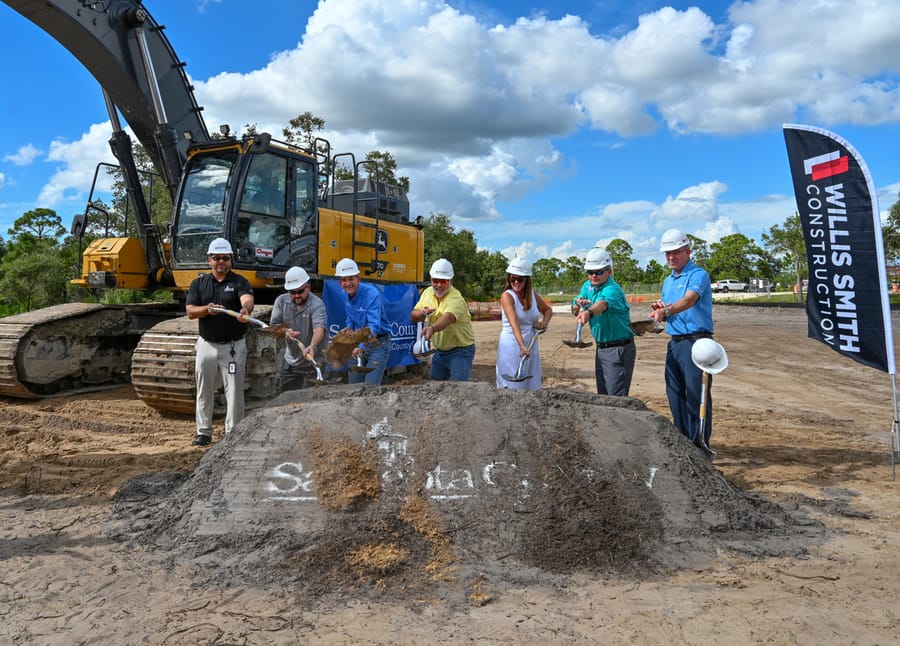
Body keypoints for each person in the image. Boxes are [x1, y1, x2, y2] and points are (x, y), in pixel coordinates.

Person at [648, 228, 715, 449]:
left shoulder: (698, 275)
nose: (671, 257)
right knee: (675, 394)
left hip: (696, 342)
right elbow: (672, 307)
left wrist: (666, 311)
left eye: (676, 252)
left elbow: (689, 301)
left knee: (697, 395)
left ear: (688, 251)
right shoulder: (668, 281)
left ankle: (699, 444)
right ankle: (684, 442)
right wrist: (662, 308)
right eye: (667, 253)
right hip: (675, 342)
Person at [185, 237, 255, 446]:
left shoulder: (239, 282)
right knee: (204, 389)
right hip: (207, 345)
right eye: (217, 258)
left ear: (230, 260)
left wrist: (245, 310)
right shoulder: (199, 283)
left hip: (233, 347)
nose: (221, 262)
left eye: (225, 258)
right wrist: (207, 310)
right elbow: (190, 311)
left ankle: (233, 432)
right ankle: (203, 431)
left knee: (234, 391)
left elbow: (247, 299)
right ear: (210, 260)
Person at [571, 248, 636, 396]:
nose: (593, 275)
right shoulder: (587, 286)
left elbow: (603, 304)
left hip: (618, 349)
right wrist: (577, 305)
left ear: (609, 271)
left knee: (616, 398)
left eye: (598, 272)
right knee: (603, 397)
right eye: (590, 272)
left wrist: (588, 312)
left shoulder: (612, 289)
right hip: (601, 349)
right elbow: (576, 305)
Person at [411, 258, 476, 381]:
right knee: (435, 388)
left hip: (460, 352)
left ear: (451, 281)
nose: (439, 285)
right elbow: (413, 315)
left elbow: (448, 317)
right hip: (440, 352)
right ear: (431, 280)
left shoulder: (456, 299)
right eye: (435, 281)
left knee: (459, 389)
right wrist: (422, 313)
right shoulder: (427, 293)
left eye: (443, 281)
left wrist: (432, 328)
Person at [496, 258, 553, 390]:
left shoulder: (533, 295)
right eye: (512, 279)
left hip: (531, 344)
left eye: (520, 279)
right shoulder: (507, 296)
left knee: (531, 384)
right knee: (513, 386)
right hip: (512, 344)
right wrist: (522, 346)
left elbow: (548, 310)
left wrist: (544, 323)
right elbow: (514, 323)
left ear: (527, 279)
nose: (516, 282)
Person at [269, 266, 327, 392]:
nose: (296, 296)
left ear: (308, 287)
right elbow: (273, 328)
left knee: (311, 402)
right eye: (292, 292)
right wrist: (286, 332)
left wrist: (312, 346)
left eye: (300, 291)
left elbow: (319, 329)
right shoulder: (281, 301)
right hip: (291, 361)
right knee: (285, 399)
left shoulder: (317, 304)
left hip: (314, 361)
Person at [335, 257, 391, 385]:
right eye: (344, 280)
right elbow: (350, 316)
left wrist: (360, 347)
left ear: (358, 279)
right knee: (354, 387)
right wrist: (349, 328)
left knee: (370, 388)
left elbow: (374, 327)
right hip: (357, 343)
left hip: (377, 344)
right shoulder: (345, 294)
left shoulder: (371, 294)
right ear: (340, 283)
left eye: (351, 279)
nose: (348, 283)